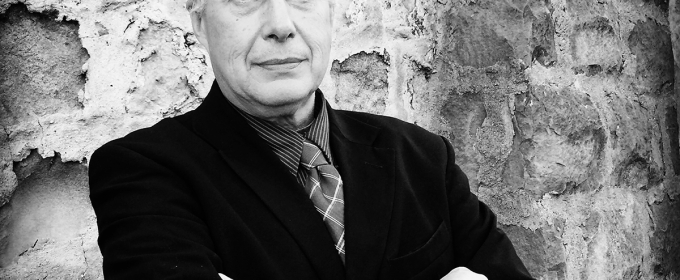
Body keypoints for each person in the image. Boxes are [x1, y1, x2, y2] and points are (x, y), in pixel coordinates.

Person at [88, 0, 534, 279]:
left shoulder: (421, 156)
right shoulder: (141, 174)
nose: (280, 24)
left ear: (330, 14)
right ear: (199, 21)